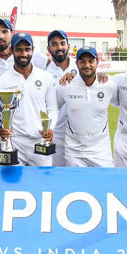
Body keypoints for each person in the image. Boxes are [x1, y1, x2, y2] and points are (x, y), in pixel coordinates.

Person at [0, 32, 57, 166]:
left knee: (42, 184)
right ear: (11, 51)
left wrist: (49, 128)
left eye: (27, 49)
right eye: (19, 50)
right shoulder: (1, 81)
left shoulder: (46, 77)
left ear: (33, 50)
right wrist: (0, 129)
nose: (23, 54)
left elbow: (52, 109)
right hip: (14, 142)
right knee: (12, 184)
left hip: (40, 140)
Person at [56, 46, 117, 167]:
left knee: (104, 185)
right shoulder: (65, 85)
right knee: (76, 186)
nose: (87, 65)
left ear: (97, 63)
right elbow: (53, 109)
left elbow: (120, 103)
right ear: (76, 64)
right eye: (82, 61)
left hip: (101, 151)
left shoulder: (109, 85)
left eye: (91, 61)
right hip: (74, 151)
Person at [45, 30, 77, 167]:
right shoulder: (44, 73)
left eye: (62, 43)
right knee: (54, 177)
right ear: (48, 49)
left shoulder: (81, 67)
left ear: (68, 46)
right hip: (54, 134)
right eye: (54, 44)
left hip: (78, 137)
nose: (59, 47)